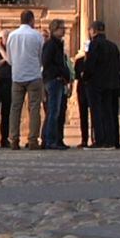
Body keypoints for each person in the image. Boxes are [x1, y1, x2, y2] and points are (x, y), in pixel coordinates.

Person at [6, 10, 44, 150]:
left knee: (15, 108)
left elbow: (9, 58)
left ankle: (14, 139)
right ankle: (33, 139)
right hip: (33, 74)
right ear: (32, 20)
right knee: (34, 108)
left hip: (17, 75)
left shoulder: (12, 35)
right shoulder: (37, 35)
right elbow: (41, 55)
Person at [84, 21, 120, 148]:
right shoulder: (113, 46)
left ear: (93, 31)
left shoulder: (94, 45)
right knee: (110, 112)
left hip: (96, 84)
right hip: (112, 84)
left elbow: (90, 64)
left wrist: (85, 76)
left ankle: (100, 140)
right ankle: (112, 139)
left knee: (97, 112)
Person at [40, 19, 71, 150]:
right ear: (54, 29)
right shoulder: (51, 44)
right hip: (53, 80)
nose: (64, 30)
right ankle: (50, 140)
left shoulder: (58, 44)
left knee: (55, 111)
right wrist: (60, 72)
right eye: (61, 28)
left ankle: (52, 139)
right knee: (53, 111)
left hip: (58, 80)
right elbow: (46, 63)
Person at [73, 46, 91, 147]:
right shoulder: (79, 61)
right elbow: (76, 76)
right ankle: (84, 139)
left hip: (92, 88)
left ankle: (95, 138)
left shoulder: (94, 59)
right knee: (83, 115)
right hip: (82, 89)